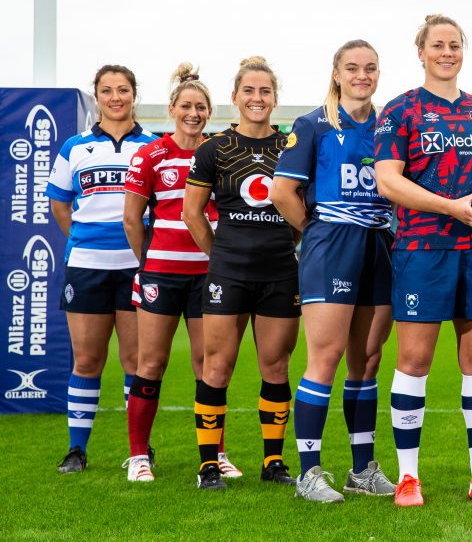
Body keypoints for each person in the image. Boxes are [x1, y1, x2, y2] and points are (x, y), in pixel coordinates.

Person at [374, 14, 472, 507]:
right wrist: (453, 207)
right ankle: (408, 477)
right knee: (414, 361)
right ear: (422, 52)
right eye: (438, 45)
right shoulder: (400, 110)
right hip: (422, 248)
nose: (447, 52)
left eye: (454, 44)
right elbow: (389, 180)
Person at [270, 40, 397, 503]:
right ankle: (309, 473)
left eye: (370, 68)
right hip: (332, 243)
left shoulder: (388, 126)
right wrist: (316, 231)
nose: (362, 75)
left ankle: (361, 471)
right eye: (352, 68)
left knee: (367, 360)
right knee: (324, 359)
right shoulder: (313, 124)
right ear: (337, 73)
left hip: (378, 243)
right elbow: (281, 192)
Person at [121, 64, 242, 483]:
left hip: (210, 277)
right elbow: (132, 220)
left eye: (201, 107)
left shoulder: (218, 152)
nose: (193, 113)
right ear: (172, 108)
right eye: (186, 106)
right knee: (150, 362)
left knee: (210, 365)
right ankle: (139, 456)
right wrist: (150, 262)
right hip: (161, 275)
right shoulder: (151, 154)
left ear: (209, 113)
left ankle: (216, 453)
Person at [183, 56, 300, 491]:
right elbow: (192, 214)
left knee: (276, 365)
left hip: (279, 272)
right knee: (217, 367)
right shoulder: (212, 149)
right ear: (234, 97)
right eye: (249, 91)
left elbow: (300, 212)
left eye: (265, 91)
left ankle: (273, 462)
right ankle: (208, 466)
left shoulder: (291, 145)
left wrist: (286, 245)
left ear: (274, 97)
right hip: (227, 272)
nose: (257, 98)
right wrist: (220, 259)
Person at [47, 64, 157, 473]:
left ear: (133, 95)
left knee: (135, 361)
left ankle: (139, 448)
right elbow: (60, 205)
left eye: (123, 90)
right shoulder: (74, 147)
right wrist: (82, 239)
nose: (116, 97)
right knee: (87, 361)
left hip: (135, 266)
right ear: (97, 96)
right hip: (87, 265)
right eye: (107, 90)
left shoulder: (151, 146)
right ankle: (77, 450)